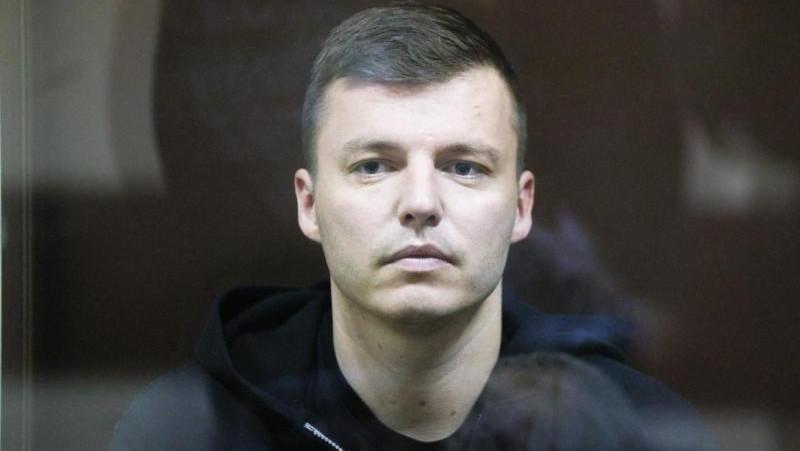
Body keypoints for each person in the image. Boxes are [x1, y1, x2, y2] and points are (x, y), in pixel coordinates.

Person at [108, 3, 714, 450]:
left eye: (464, 167)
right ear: (309, 204)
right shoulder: (188, 433)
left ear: (522, 206)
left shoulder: (642, 434)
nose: (420, 202)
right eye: (374, 166)